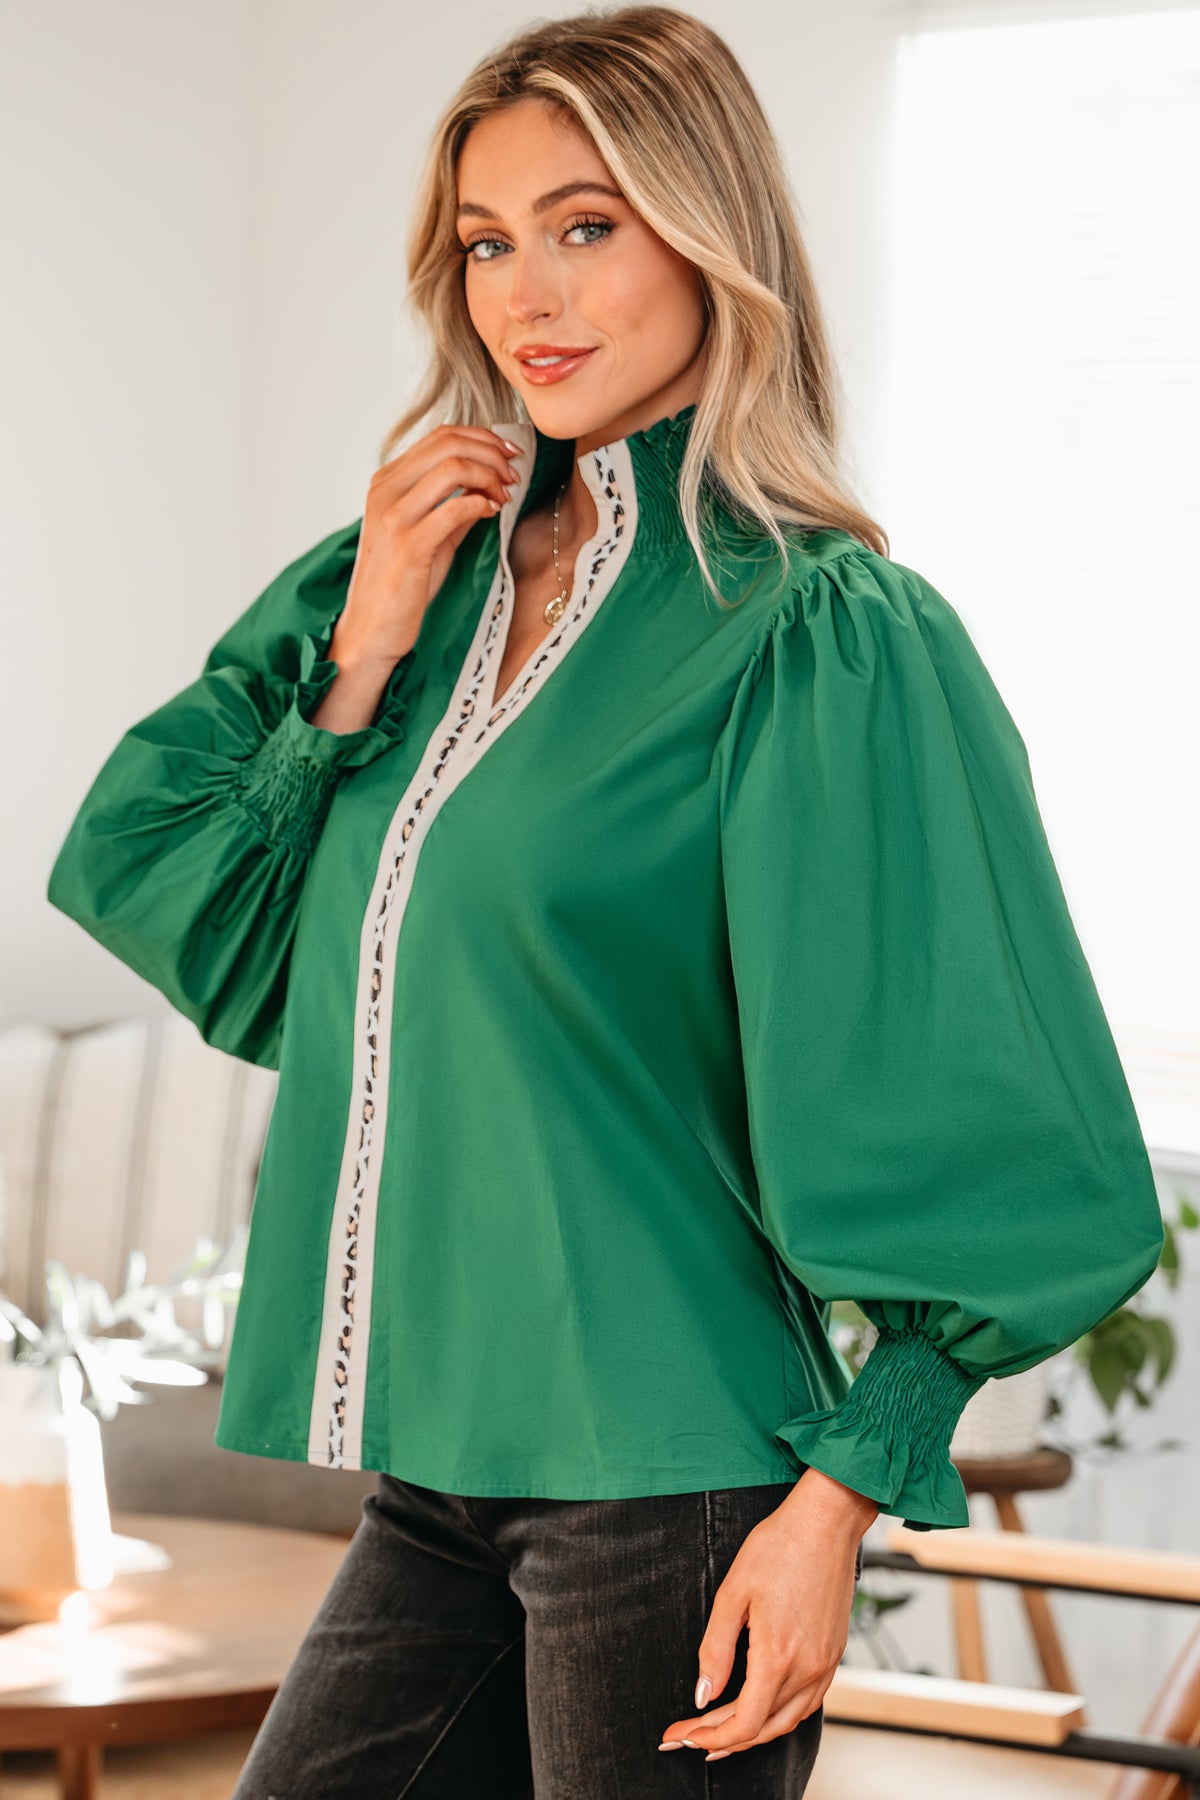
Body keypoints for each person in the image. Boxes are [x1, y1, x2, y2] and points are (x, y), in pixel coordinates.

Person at [46, 6, 1164, 1796]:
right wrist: (362, 650)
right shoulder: (404, 582)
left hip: (676, 1491)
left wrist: (835, 1505)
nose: (528, 296)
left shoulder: (819, 634)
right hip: (436, 1483)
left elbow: (1016, 1131)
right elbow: (201, 913)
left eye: (586, 226)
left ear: (709, 236)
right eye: (487, 244)